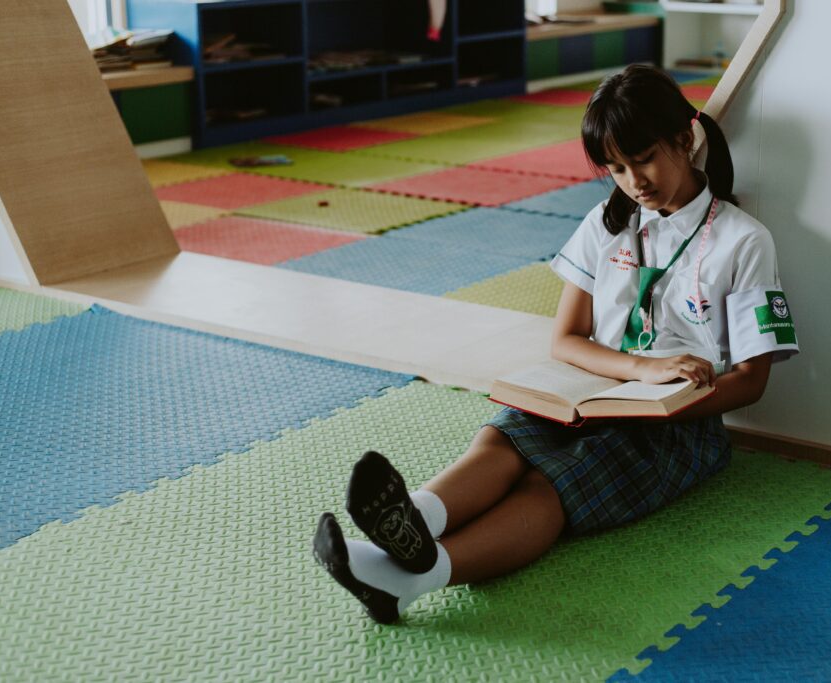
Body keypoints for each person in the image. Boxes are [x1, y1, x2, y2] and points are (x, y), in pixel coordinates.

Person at [312, 64, 800, 624]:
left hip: (677, 429)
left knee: (549, 486)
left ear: (684, 139)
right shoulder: (607, 222)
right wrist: (640, 370)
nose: (634, 181)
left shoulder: (743, 240)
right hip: (593, 391)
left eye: (643, 158)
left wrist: (667, 401)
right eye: (616, 168)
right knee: (500, 440)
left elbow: (753, 381)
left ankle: (410, 575)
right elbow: (565, 340)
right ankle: (411, 522)